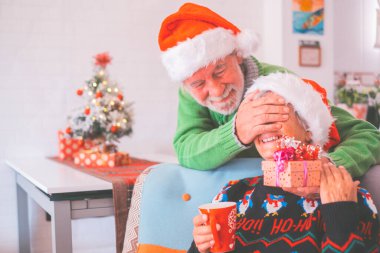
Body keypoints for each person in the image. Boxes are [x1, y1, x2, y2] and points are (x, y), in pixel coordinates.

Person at [158, 3, 380, 177]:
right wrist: (236, 133)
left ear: (238, 54)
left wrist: (330, 165)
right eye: (198, 84)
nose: (215, 90)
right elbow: (186, 150)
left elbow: (368, 136)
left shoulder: (281, 85)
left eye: (219, 71)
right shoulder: (190, 96)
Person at [188, 73, 379, 253]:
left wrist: (340, 213)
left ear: (309, 129)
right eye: (257, 118)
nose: (265, 127)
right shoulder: (232, 194)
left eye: (276, 113)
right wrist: (201, 247)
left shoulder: (345, 194)